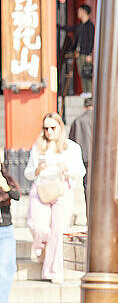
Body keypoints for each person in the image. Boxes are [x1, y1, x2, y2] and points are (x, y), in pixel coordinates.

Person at [24, 113, 86, 283]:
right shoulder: (38, 147)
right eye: (46, 128)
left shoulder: (71, 147)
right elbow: (28, 173)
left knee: (58, 232)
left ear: (60, 127)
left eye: (53, 127)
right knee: (37, 226)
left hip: (62, 189)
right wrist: (37, 169)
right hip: (41, 188)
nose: (49, 131)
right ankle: (41, 251)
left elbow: (81, 171)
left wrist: (67, 169)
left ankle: (54, 271)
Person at [60, 4, 95, 97]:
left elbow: (91, 41)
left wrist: (89, 54)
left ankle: (90, 91)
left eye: (79, 11)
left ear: (84, 11)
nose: (78, 13)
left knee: (87, 71)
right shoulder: (80, 25)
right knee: (82, 72)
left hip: (86, 53)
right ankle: (85, 91)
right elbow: (70, 29)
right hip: (79, 53)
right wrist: (59, 26)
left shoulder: (90, 26)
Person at [0, 163, 21, 302]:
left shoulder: (5, 180)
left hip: (5, 230)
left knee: (4, 270)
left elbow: (16, 195)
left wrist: (5, 181)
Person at [68, 97, 94, 207]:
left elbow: (71, 141)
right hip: (98, 157)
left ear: (84, 107)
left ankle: (90, 216)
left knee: (87, 186)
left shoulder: (78, 121)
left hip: (84, 156)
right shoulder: (101, 119)